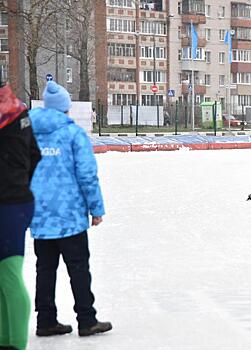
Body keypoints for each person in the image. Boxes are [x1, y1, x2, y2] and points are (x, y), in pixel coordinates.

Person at [29, 81, 112, 337]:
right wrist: (96, 209)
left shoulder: (27, 133)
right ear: (65, 108)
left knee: (44, 270)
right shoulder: (73, 134)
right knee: (78, 268)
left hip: (40, 216)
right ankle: (86, 320)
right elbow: (87, 175)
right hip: (70, 217)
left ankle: (45, 320)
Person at [0, 84, 41, 350]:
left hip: (9, 204)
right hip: (17, 200)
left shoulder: (9, 117)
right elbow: (34, 156)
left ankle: (15, 342)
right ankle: (6, 339)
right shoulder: (19, 113)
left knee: (8, 272)